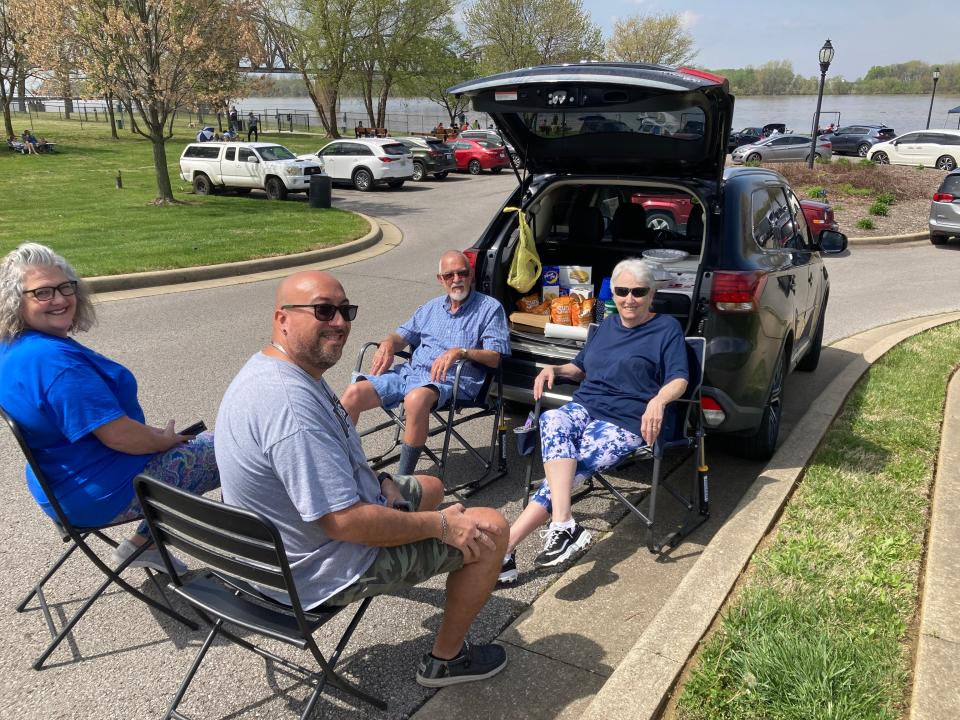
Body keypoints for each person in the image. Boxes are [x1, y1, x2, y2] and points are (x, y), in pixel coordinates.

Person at [215, 270, 509, 687]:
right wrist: (442, 525)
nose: (339, 322)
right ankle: (447, 661)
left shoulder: (274, 369)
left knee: (431, 487)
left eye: (344, 310)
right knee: (491, 529)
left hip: (274, 548)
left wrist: (379, 480)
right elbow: (346, 522)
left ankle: (414, 531)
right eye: (323, 310)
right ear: (283, 319)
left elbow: (327, 464)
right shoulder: (291, 408)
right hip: (314, 568)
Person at [0, 243, 220, 574]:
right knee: (238, 448)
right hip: (97, 492)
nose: (59, 299)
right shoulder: (56, 363)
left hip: (58, 482)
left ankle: (143, 545)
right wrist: (162, 440)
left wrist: (154, 437)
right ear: (17, 301)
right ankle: (273, 554)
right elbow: (118, 436)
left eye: (64, 287)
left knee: (202, 446)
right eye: (42, 293)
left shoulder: (14, 345)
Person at [498, 258, 689, 583]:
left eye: (638, 292)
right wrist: (554, 370)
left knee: (573, 463)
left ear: (652, 294)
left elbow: (679, 379)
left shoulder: (666, 329)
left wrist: (659, 399)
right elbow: (580, 368)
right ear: (612, 293)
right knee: (553, 420)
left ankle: (507, 548)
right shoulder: (607, 326)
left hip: (628, 419)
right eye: (622, 291)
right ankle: (563, 524)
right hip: (587, 406)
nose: (630, 298)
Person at [340, 251, 509, 476]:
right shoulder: (431, 307)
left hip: (453, 382)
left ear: (471, 276)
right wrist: (388, 343)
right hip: (412, 374)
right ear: (440, 279)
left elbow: (496, 356)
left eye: (462, 273)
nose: (456, 279)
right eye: (449, 275)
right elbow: (402, 336)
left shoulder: (490, 308)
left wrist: (462, 352)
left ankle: (403, 482)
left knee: (416, 399)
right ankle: (342, 467)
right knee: (354, 393)